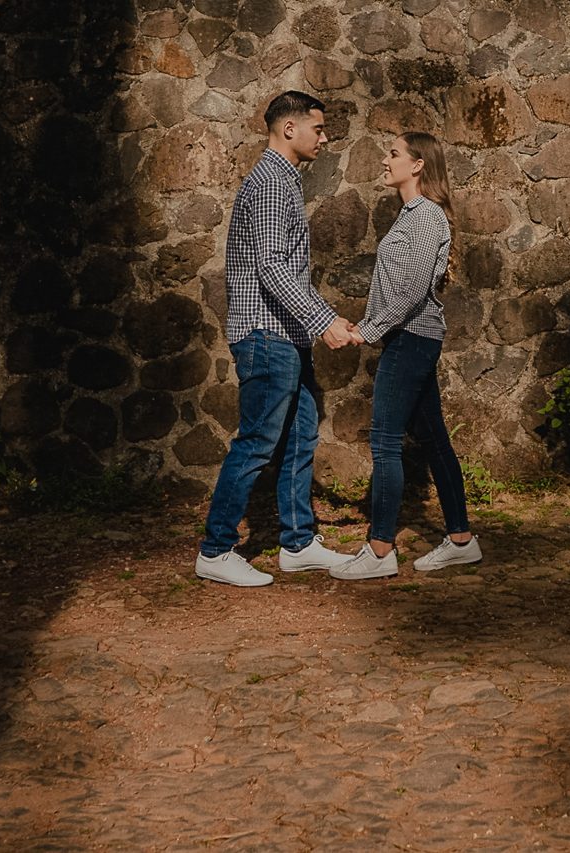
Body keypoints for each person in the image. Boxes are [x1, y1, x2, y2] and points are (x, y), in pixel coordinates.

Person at [195, 91, 357, 588]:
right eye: (318, 128)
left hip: (287, 334)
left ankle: (298, 544)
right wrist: (323, 319)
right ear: (289, 128)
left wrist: (322, 320)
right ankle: (216, 550)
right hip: (266, 335)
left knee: (300, 436)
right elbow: (270, 267)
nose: (324, 137)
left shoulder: (283, 181)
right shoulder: (269, 184)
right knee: (259, 443)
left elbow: (287, 269)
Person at [331, 132, 482, 581]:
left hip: (410, 337)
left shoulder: (425, 217)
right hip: (411, 336)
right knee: (434, 439)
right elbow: (402, 288)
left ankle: (379, 551)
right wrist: (371, 325)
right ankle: (461, 541)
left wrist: (368, 331)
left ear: (417, 165)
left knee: (384, 441)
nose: (384, 160)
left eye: (393, 154)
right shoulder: (413, 216)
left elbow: (413, 291)